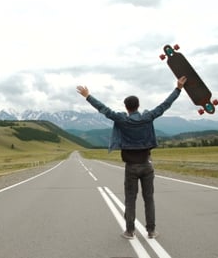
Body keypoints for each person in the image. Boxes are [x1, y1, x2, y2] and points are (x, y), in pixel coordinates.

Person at [76, 76, 187, 239]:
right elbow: (165, 105)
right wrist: (178, 89)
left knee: (130, 199)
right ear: (138, 106)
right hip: (147, 165)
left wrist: (88, 96)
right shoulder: (147, 117)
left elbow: (104, 109)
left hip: (131, 167)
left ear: (126, 107)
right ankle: (151, 231)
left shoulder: (122, 120)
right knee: (149, 199)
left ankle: (130, 231)